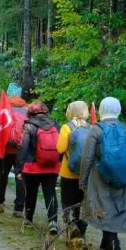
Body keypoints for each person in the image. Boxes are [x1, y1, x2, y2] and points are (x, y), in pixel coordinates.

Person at [80, 97, 126, 250]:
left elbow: (87, 158)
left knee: (105, 212)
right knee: (113, 214)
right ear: (119, 110)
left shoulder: (95, 130)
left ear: (101, 110)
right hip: (124, 179)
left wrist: (82, 182)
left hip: (100, 178)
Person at [17, 102, 61, 233]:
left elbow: (23, 147)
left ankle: (28, 219)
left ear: (30, 113)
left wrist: (20, 167)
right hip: (52, 166)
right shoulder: (55, 124)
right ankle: (53, 222)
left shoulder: (29, 125)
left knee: (31, 193)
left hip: (32, 167)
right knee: (50, 193)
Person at [0, 83, 28, 217]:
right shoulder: (27, 108)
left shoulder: (1, 107)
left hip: (5, 148)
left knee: (2, 175)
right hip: (21, 149)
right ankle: (19, 208)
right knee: (20, 177)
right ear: (19, 94)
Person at [57, 101, 91, 240]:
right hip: (85, 173)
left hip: (68, 172)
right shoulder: (91, 127)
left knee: (67, 200)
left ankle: (71, 226)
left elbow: (60, 149)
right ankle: (81, 229)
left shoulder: (67, 127)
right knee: (81, 201)